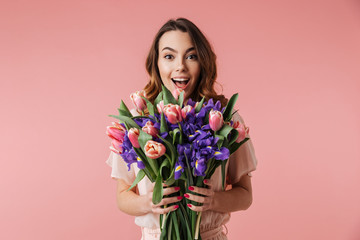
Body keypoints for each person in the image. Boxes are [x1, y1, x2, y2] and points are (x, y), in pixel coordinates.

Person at [106, 17, 258, 240]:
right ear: (156, 63)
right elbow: (122, 196)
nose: (180, 66)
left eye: (191, 56)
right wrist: (148, 202)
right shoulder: (139, 122)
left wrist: (214, 200)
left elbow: (245, 195)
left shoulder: (223, 119)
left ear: (203, 61)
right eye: (169, 56)